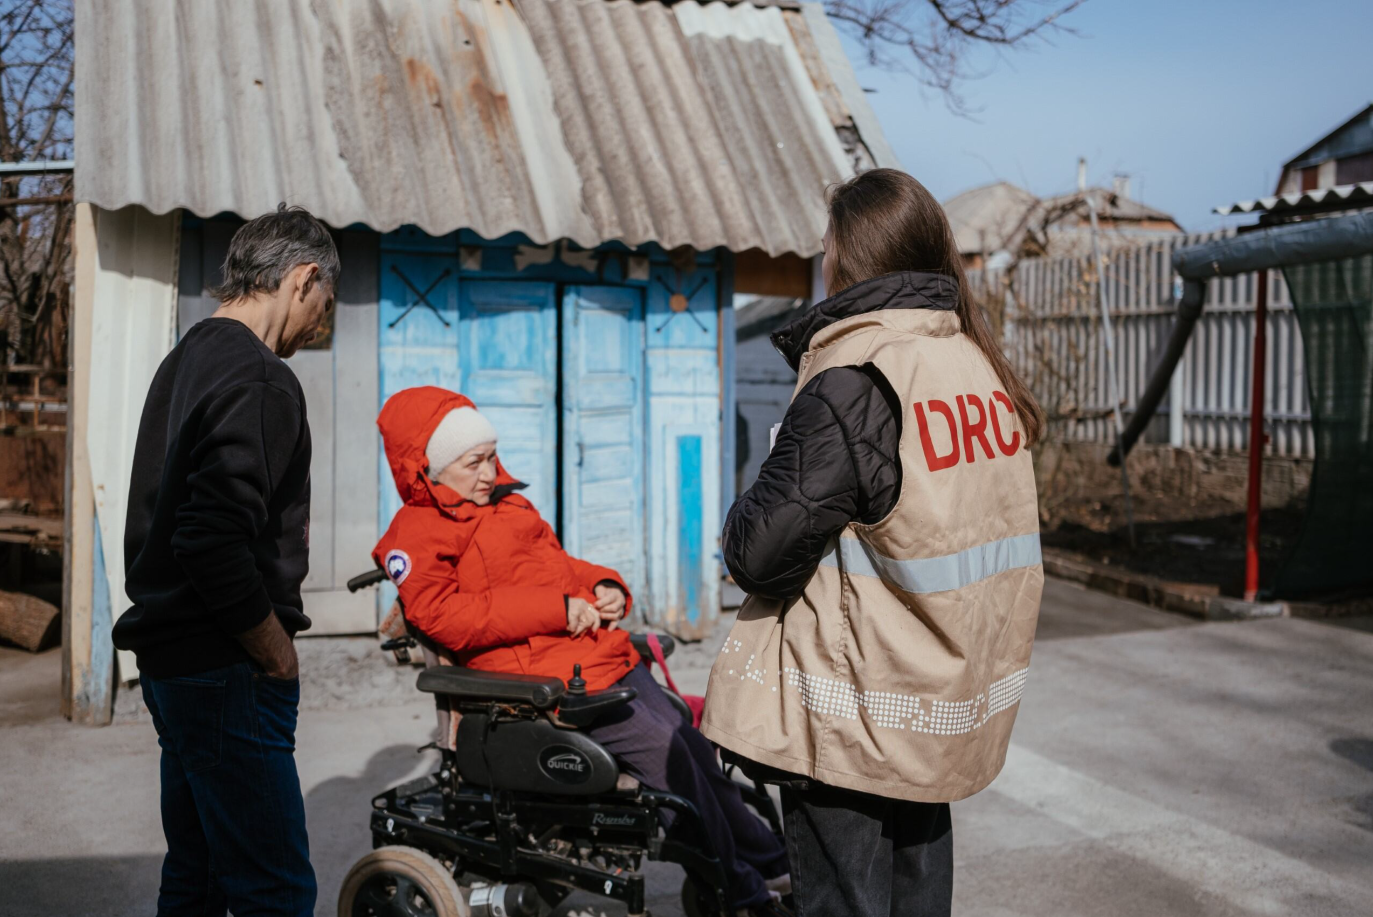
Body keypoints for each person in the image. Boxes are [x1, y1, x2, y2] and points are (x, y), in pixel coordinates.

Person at [700, 168, 1046, 917]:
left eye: (827, 243)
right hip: (933, 702)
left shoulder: (856, 375)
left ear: (848, 255)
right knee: (917, 898)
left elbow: (760, 554)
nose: (823, 256)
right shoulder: (976, 364)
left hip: (854, 708)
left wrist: (744, 506)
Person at [372, 385, 793, 917]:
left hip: (592, 660)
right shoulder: (416, 534)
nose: (488, 473)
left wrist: (603, 586)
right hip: (537, 685)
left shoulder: (509, 505)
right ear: (430, 469)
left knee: (692, 748)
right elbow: (442, 618)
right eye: (473, 463)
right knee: (672, 770)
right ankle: (744, 895)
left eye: (491, 458)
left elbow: (561, 568)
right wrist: (555, 609)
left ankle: (774, 863)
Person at [113, 204, 338, 917]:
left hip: (175, 662)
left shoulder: (188, 357)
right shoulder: (261, 379)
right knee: (275, 889)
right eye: (326, 300)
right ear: (303, 278)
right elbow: (210, 538)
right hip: (225, 666)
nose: (322, 322)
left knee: (200, 874)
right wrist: (276, 653)